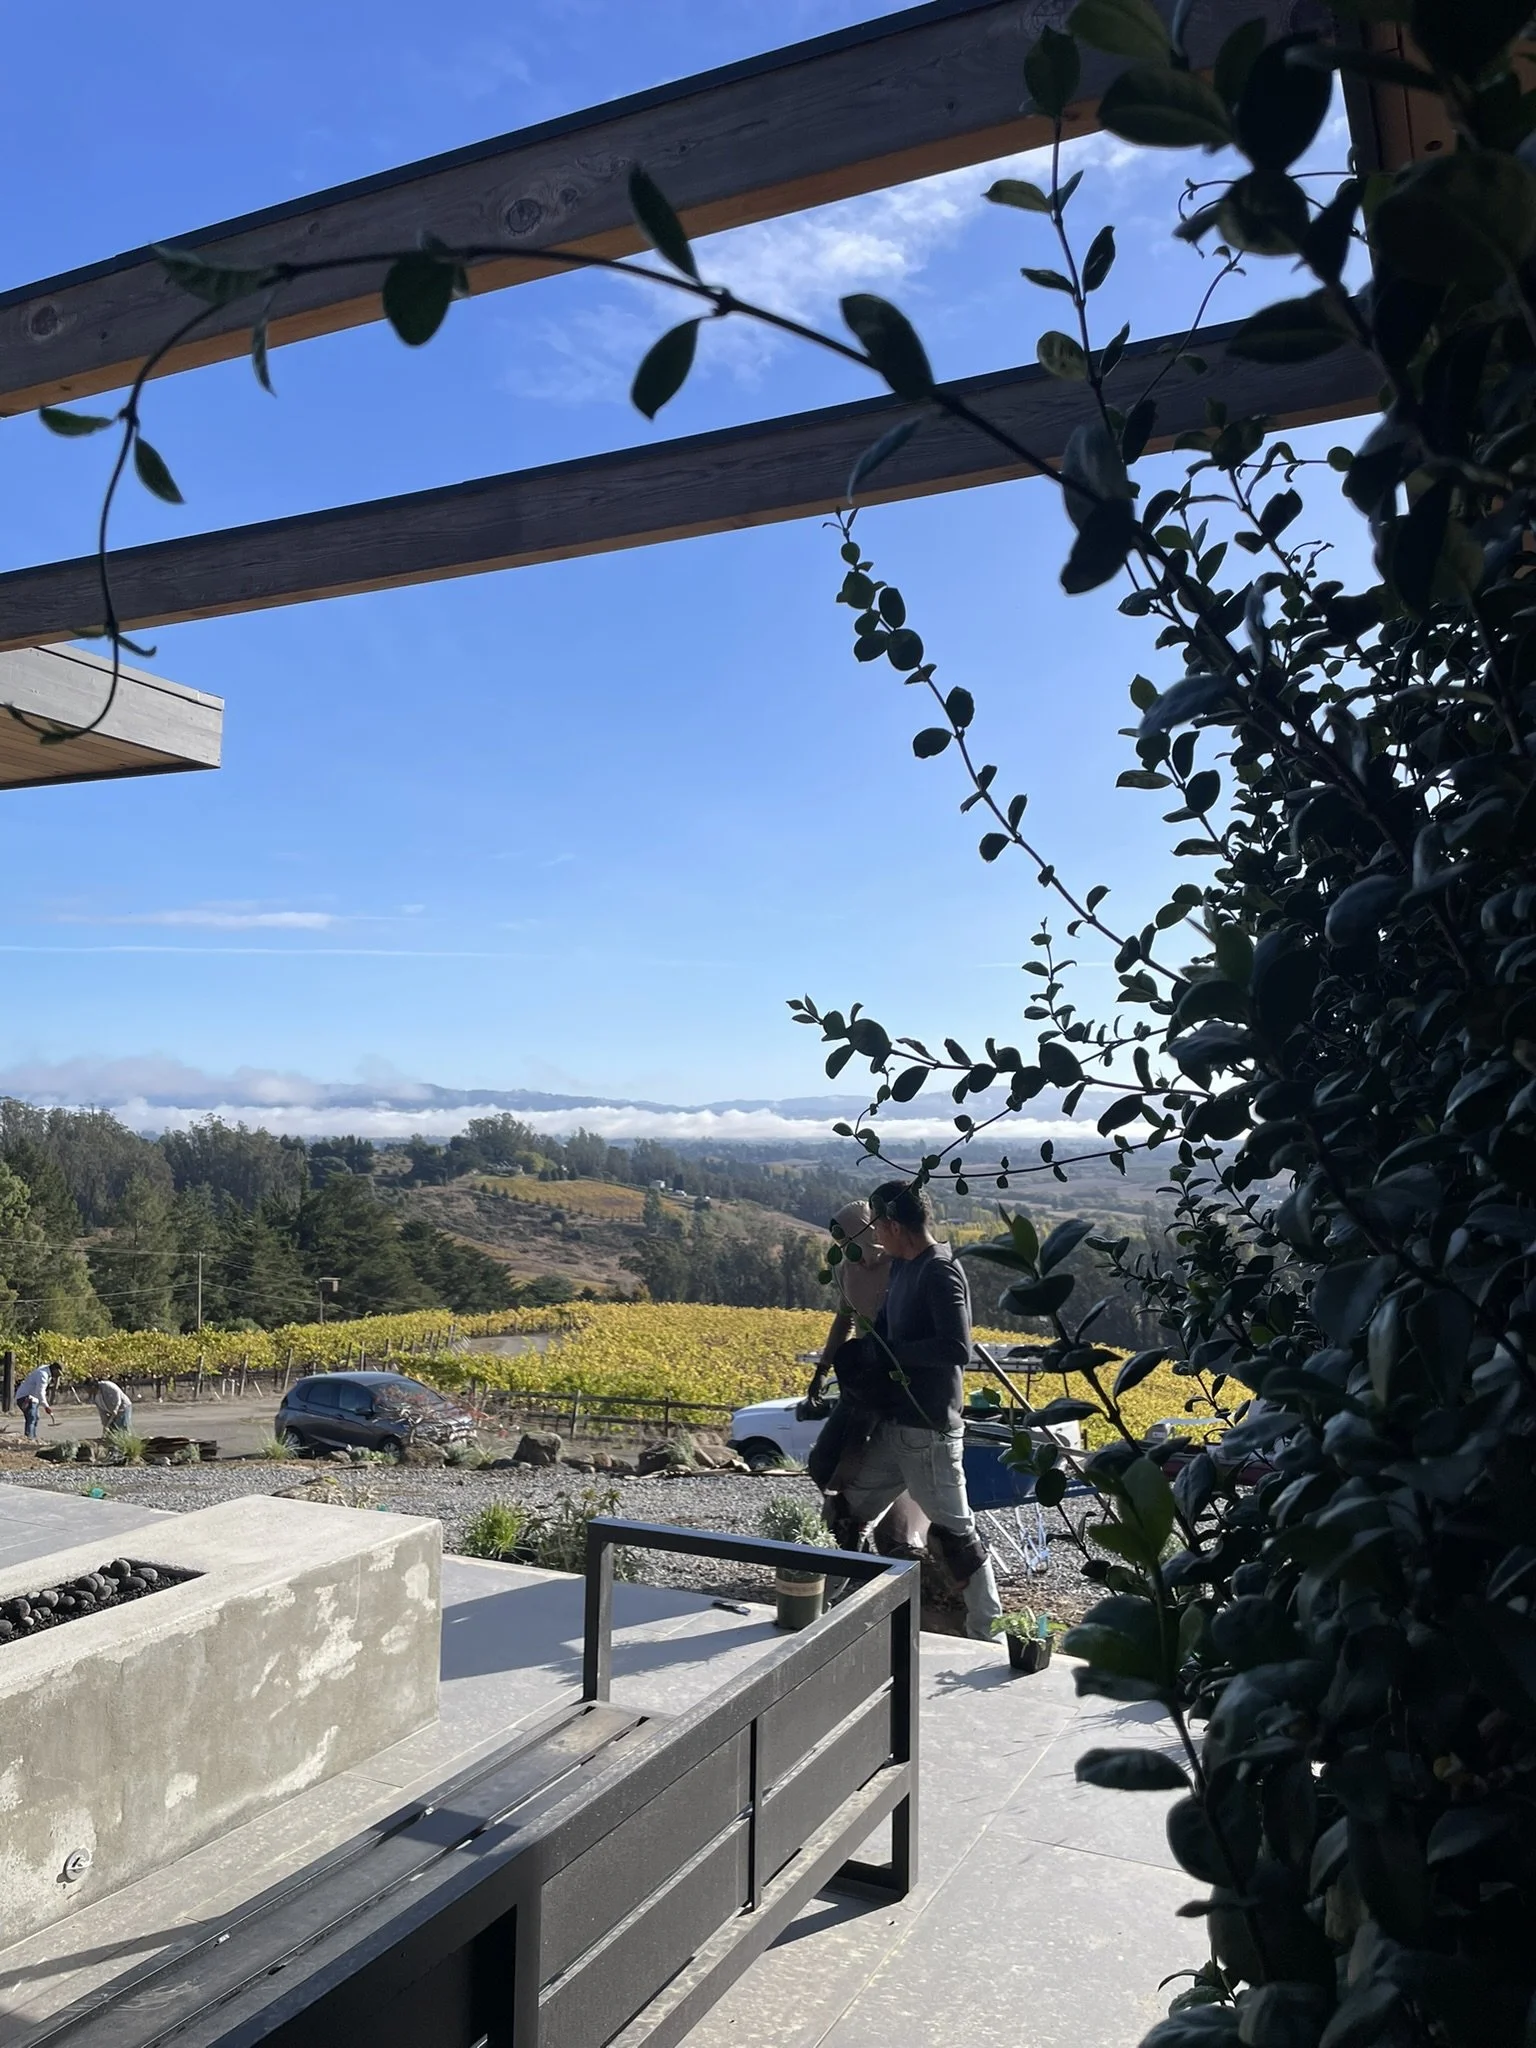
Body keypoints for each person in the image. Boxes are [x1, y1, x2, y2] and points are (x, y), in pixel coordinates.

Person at [829, 1180, 1002, 1642]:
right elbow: (883, 1330)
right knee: (848, 1510)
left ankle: (990, 1633)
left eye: (877, 1227)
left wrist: (891, 1355)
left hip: (928, 1428)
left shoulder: (939, 1271)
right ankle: (830, 1608)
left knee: (956, 1538)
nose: (874, 1238)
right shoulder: (904, 1268)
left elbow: (956, 1348)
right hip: (895, 1422)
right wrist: (862, 1355)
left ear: (892, 1224)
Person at [15, 1362, 54, 1441]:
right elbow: (40, 1392)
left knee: (35, 1418)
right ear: (54, 1369)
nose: (58, 1376)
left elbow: (38, 1393)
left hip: (31, 1398)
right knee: (31, 1417)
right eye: (58, 1373)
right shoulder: (43, 1375)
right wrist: (46, 1406)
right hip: (25, 1397)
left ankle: (32, 1437)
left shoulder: (46, 1371)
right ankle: (29, 1439)